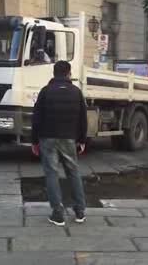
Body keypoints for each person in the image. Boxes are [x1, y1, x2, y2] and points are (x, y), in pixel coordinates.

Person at [31, 61, 88, 226]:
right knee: (73, 172)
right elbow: (82, 119)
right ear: (69, 74)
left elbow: (37, 118)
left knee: (51, 174)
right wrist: (82, 140)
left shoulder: (45, 92)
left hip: (47, 139)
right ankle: (80, 211)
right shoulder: (76, 93)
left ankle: (58, 213)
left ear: (54, 73)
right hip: (69, 139)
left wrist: (34, 141)